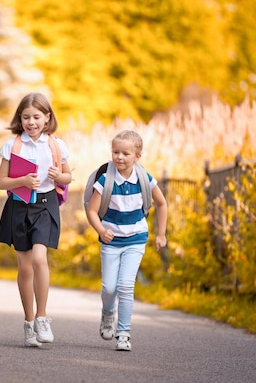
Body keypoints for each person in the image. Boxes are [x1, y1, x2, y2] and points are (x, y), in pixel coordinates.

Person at [0, 92, 72, 347]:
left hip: (45, 205)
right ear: (20, 118)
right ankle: (29, 323)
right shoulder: (13, 144)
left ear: (47, 117)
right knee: (25, 266)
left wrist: (58, 176)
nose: (31, 122)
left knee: (40, 258)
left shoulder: (56, 145)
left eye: (37, 117)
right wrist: (23, 181)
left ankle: (42, 317)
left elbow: (68, 177)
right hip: (19, 206)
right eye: (26, 117)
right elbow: (1, 182)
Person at [86, 130, 168, 351]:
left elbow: (161, 204)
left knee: (125, 285)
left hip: (136, 239)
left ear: (137, 156)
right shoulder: (105, 180)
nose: (119, 157)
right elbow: (92, 211)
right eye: (115, 152)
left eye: (125, 153)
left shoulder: (145, 179)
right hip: (110, 240)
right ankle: (107, 312)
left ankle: (123, 333)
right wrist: (102, 230)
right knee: (110, 288)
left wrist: (161, 233)